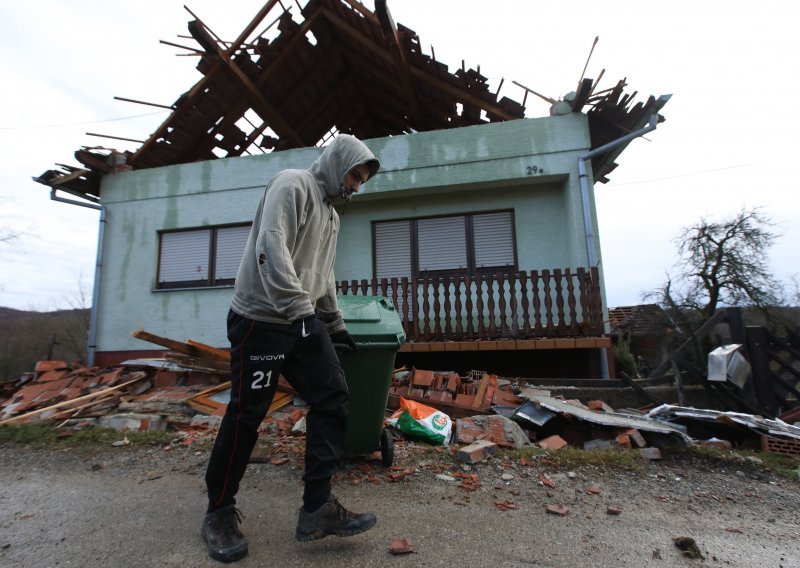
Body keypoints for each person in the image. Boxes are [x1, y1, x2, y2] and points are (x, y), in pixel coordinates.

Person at [201, 134, 380, 563]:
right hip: (261, 318)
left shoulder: (333, 214)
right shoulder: (292, 183)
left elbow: (322, 271)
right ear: (337, 163)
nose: (356, 185)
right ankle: (218, 512)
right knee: (248, 413)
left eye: (362, 179)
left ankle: (316, 509)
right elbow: (271, 247)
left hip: (301, 317)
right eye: (354, 174)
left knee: (332, 396)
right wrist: (301, 312)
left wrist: (332, 322)